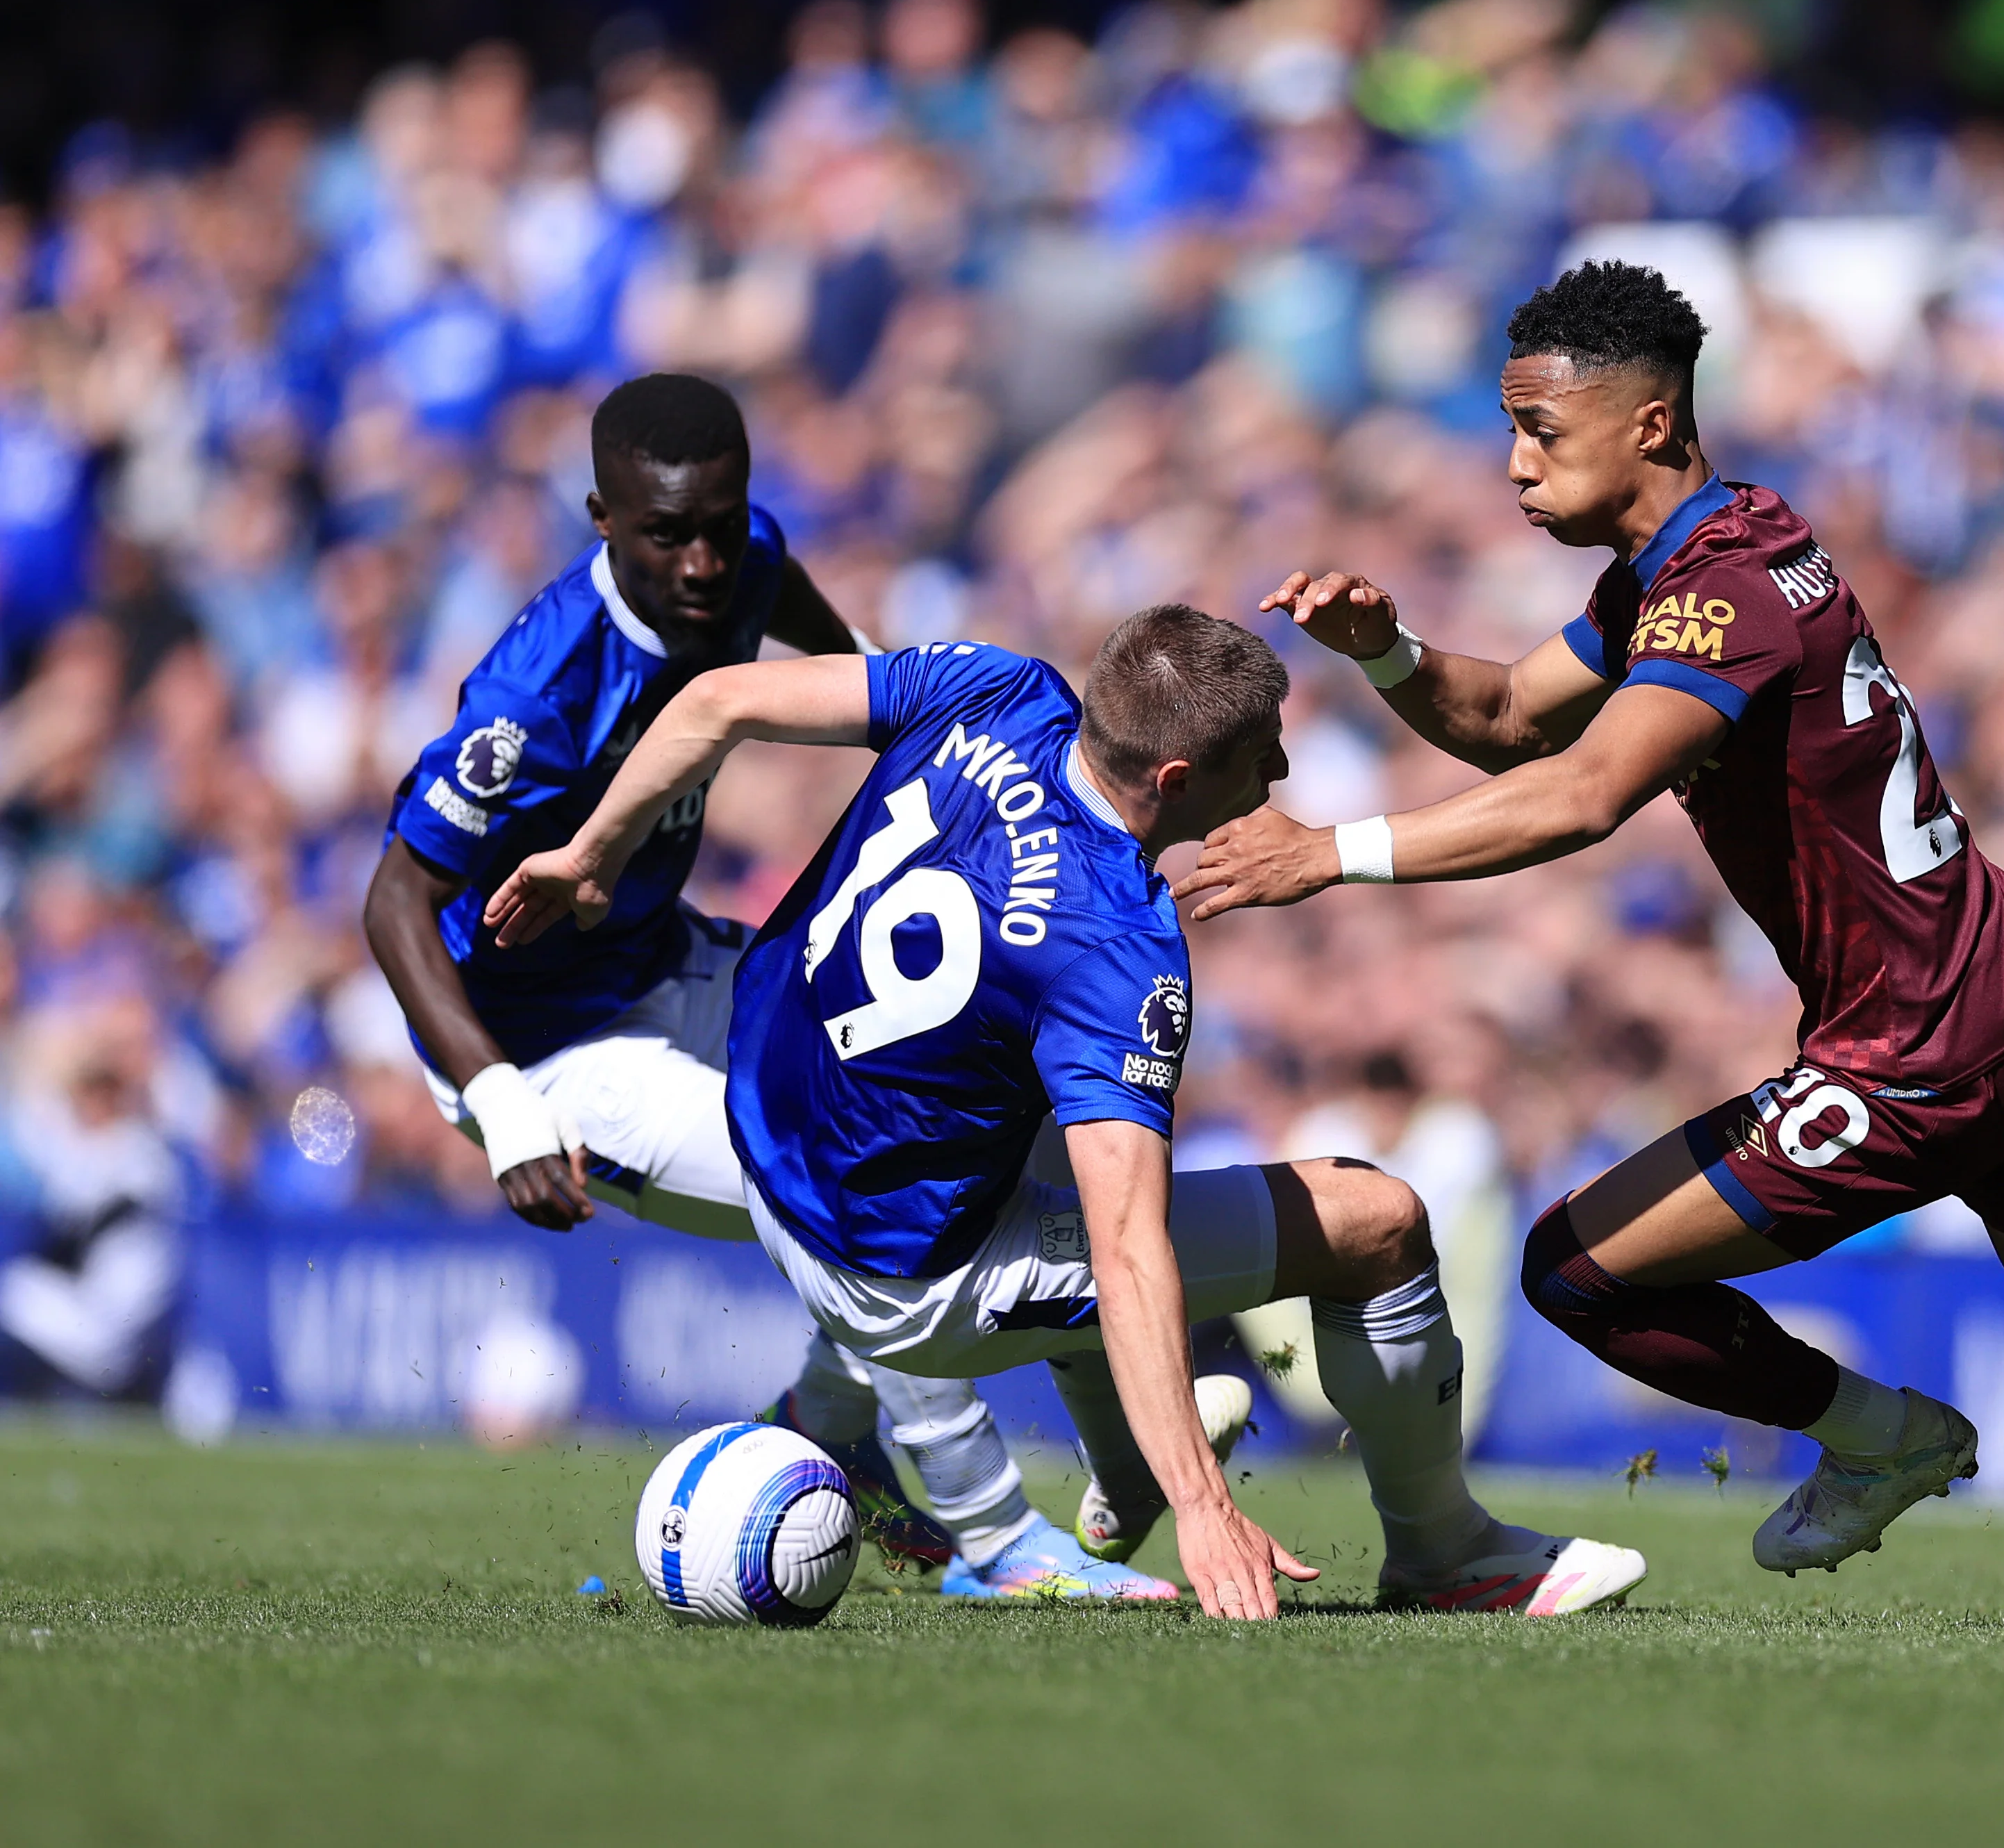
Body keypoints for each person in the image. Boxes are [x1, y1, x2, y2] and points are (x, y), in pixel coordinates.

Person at [1179, 260, 2004, 1634]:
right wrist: (1390, 650)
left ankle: (1876, 1434)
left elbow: (1581, 794)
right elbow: (1519, 714)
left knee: (1574, 1270)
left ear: (1649, 425)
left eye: (1542, 432)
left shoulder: (1719, 595)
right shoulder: (1716, 548)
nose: (1514, 466)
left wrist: (1324, 851)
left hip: (1919, 1044)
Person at [483, 604, 1648, 1619]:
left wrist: (590, 855)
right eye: (1264, 754)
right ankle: (1443, 1551)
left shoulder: (992, 686)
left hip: (765, 1128)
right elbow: (1128, 1246)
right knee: (1375, 1219)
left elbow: (723, 699)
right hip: (905, 1277)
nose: (1285, 774)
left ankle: (1122, 1460)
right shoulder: (1117, 948)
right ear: (1179, 781)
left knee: (1059, 1106)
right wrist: (1205, 1507)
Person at [362, 372, 1182, 1602]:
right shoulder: (536, 695)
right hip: (543, 1047)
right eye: (663, 534)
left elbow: (841, 658)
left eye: (719, 523)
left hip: (665, 960)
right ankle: (994, 1537)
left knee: (962, 1099)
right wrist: (504, 1107)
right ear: (600, 516)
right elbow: (392, 905)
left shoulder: (743, 555)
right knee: (844, 1177)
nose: (701, 562)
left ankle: (835, 1419)